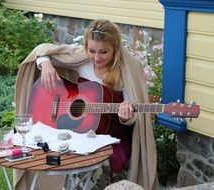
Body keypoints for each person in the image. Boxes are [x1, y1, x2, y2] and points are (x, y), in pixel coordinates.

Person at [14, 19, 158, 190]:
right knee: (48, 152)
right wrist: (45, 65)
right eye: (91, 51)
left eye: (103, 52)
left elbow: (134, 117)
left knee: (83, 165)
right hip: (80, 133)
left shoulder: (127, 70)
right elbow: (42, 51)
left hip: (113, 139)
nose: (96, 58)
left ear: (115, 49)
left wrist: (127, 117)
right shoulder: (81, 60)